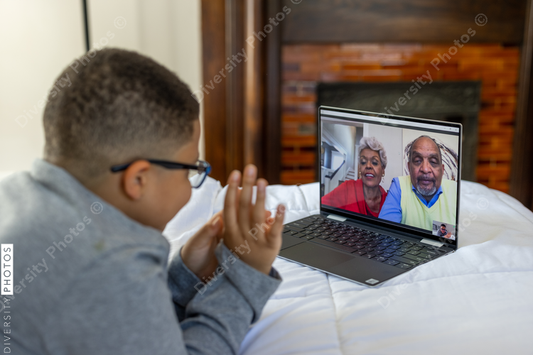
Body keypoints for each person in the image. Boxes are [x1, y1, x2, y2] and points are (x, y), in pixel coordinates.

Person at [0, 48, 285, 354]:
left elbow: (112, 326)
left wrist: (183, 276)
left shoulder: (13, 195)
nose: (191, 186)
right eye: (190, 169)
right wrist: (246, 277)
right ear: (138, 179)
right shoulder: (111, 261)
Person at [379, 135, 457, 231]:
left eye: (433, 161)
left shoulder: (456, 191)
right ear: (409, 168)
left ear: (442, 169)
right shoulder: (398, 186)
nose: (425, 169)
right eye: (417, 161)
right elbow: (385, 234)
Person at [321, 136, 388, 217]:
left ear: (383, 170)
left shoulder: (388, 201)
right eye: (363, 162)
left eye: (374, 162)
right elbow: (320, 209)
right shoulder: (347, 188)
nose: (368, 166)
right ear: (360, 168)